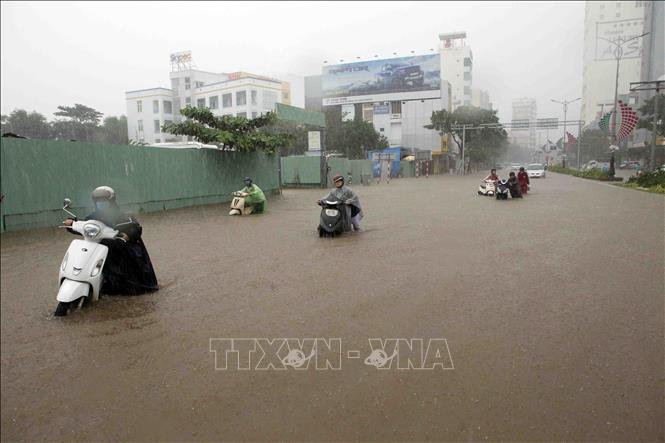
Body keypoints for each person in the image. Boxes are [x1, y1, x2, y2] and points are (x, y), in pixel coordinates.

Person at [63, 186, 159, 295]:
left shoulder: (123, 216)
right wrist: (72, 224)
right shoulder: (93, 217)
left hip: (120, 250)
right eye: (98, 201)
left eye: (103, 200)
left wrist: (127, 235)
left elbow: (136, 229)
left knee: (134, 282)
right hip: (101, 251)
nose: (101, 203)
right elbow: (86, 227)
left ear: (111, 201)